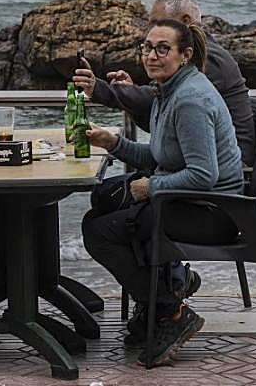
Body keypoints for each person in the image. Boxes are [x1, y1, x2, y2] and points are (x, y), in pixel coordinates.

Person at [81, 19, 244, 367]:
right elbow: (160, 156)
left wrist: (148, 187)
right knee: (100, 210)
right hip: (189, 201)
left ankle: (169, 310)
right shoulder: (166, 90)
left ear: (185, 55)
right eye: (147, 47)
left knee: (99, 232)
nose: (151, 56)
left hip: (214, 212)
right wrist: (113, 143)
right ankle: (161, 299)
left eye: (162, 48)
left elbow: (202, 174)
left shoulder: (189, 100)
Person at [72, 0, 256, 166]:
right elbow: (161, 122)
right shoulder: (193, 62)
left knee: (111, 193)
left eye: (158, 23)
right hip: (200, 154)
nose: (152, 30)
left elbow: (202, 173)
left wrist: (99, 89)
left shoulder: (208, 61)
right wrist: (129, 91)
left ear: (184, 21)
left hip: (229, 164)